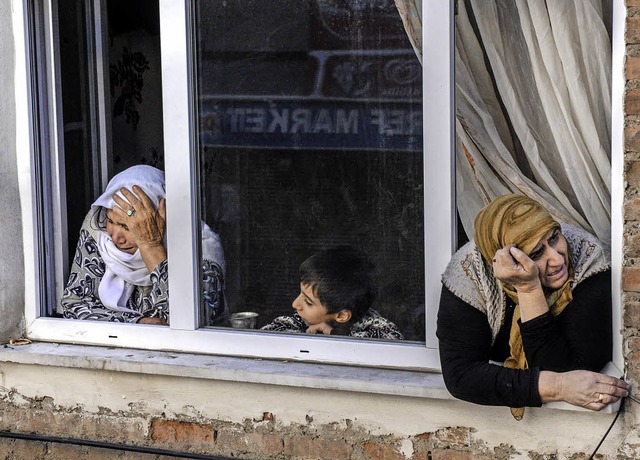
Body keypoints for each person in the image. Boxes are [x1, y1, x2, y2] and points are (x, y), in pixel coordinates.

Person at [437, 194, 629, 419]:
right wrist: (528, 287)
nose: (557, 259)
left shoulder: (589, 261)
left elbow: (571, 369)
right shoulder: (468, 277)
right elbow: (461, 377)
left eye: (555, 238)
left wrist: (529, 291)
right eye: (536, 253)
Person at [61, 165, 226, 325]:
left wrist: (151, 246)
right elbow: (74, 304)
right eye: (112, 221)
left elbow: (191, 319)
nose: (116, 238)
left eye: (127, 227)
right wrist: (136, 323)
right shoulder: (100, 226)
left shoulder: (201, 246)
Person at [261, 246, 404, 340]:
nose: (295, 304)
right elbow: (266, 337)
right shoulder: (301, 320)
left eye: (308, 302)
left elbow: (392, 349)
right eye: (301, 294)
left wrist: (335, 336)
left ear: (341, 315)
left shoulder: (376, 328)